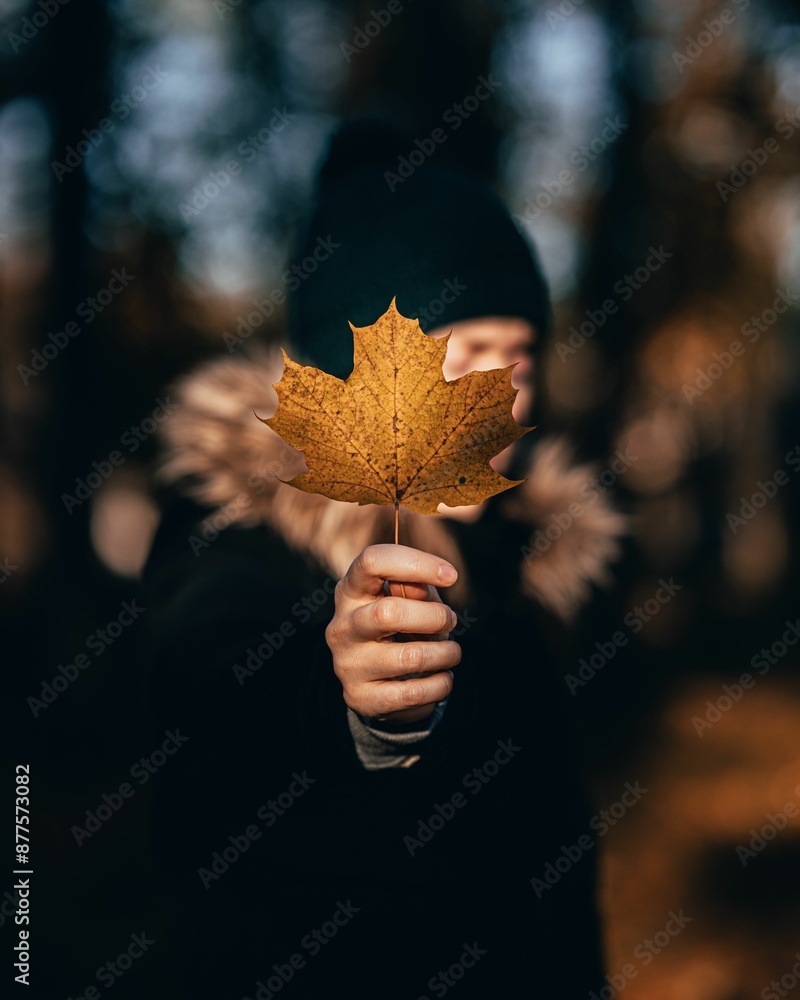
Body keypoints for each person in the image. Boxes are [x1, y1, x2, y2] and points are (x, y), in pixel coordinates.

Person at [143, 119, 624, 998]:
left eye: (520, 356)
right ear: (354, 378)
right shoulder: (237, 549)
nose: (507, 397)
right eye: (470, 355)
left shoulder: (520, 571)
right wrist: (359, 714)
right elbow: (220, 695)